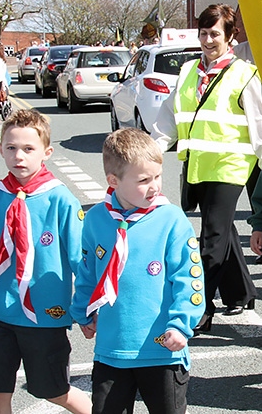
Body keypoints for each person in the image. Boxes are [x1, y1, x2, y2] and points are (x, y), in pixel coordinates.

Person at [151, 4, 262, 331]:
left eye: (215, 33)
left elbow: (259, 126)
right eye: (203, 33)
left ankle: (199, 308)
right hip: (198, 165)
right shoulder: (189, 71)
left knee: (211, 237)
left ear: (230, 36)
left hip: (231, 166)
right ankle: (241, 292)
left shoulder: (245, 73)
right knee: (223, 231)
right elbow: (170, 118)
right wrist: (150, 151)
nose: (207, 39)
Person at [70, 128, 204, 414]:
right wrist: (83, 311)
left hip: (162, 350)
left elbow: (189, 278)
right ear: (113, 180)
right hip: (112, 349)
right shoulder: (95, 220)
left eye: (157, 176)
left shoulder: (171, 220)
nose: (155, 186)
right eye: (144, 180)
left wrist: (182, 323)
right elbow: (87, 271)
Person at [0, 110, 91, 414]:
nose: (18, 157)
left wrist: (87, 308)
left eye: (28, 149)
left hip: (45, 316)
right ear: (0, 149)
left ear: (46, 153)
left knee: (55, 392)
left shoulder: (60, 200)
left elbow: (81, 259)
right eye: (11, 148)